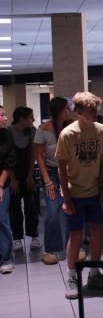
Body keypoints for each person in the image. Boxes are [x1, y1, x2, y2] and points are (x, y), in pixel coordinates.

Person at [56, 92, 103, 299]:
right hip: (74, 191)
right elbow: (61, 168)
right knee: (76, 234)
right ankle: (72, 276)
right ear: (79, 112)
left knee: (98, 232)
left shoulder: (101, 131)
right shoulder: (68, 134)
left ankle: (95, 273)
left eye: (96, 110)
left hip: (94, 191)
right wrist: (67, 197)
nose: (95, 114)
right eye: (91, 110)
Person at [33, 97, 70, 265]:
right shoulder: (43, 129)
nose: (68, 111)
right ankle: (52, 249)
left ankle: (75, 246)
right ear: (59, 110)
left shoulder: (70, 126)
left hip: (69, 172)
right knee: (52, 211)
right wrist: (47, 180)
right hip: (51, 173)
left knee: (72, 209)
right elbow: (39, 156)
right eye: (66, 108)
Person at [8, 106, 39, 254]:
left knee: (31, 206)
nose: (33, 119)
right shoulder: (8, 132)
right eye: (30, 117)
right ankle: (17, 239)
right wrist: (13, 179)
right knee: (14, 207)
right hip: (13, 174)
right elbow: (7, 158)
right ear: (21, 119)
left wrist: (29, 175)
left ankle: (34, 236)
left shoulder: (32, 131)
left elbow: (33, 154)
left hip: (28, 173)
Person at [0, 105, 16, 274]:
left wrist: (0, 185)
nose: (5, 118)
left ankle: (6, 259)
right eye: (2, 115)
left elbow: (10, 161)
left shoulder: (7, 134)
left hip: (1, 183)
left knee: (2, 219)